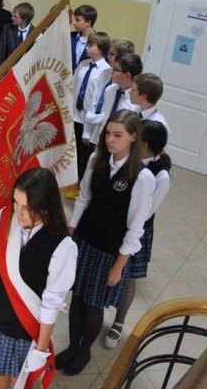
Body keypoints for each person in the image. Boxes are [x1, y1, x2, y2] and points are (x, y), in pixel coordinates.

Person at [56, 109, 154, 375]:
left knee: (94, 303)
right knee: (78, 296)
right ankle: (72, 347)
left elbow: (135, 228)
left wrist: (119, 266)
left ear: (133, 137)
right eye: (108, 133)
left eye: (118, 135)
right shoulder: (96, 160)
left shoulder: (143, 177)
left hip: (110, 250)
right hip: (86, 240)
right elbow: (84, 199)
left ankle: (84, 351)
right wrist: (70, 232)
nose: (110, 139)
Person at [0, 168, 78, 389]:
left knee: (18, 381)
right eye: (15, 203)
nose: (17, 213)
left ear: (46, 207)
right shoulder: (4, 217)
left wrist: (41, 349)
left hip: (24, 327)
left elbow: (52, 303)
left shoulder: (63, 246)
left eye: (26, 208)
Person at [104, 120, 172, 348]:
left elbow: (146, 212)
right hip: (114, 223)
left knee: (127, 276)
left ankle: (118, 323)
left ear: (143, 144)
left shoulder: (160, 176)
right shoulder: (125, 159)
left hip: (136, 229)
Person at [66, 31, 112, 200]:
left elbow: (98, 100)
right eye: (88, 44)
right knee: (74, 151)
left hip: (88, 120)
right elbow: (73, 87)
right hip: (75, 116)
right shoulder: (83, 64)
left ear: (101, 48)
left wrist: (89, 128)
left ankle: (81, 185)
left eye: (91, 45)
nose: (87, 48)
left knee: (85, 155)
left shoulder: (106, 71)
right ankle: (72, 180)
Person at [84, 53, 142, 145]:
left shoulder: (136, 102)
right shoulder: (110, 90)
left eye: (115, 69)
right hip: (101, 141)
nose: (111, 71)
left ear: (127, 75)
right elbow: (105, 116)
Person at [0, 2, 36, 68]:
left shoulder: (35, 33)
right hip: (8, 69)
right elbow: (1, 52)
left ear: (25, 20)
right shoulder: (7, 29)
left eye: (15, 16)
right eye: (13, 14)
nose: (12, 18)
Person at [70, 5, 97, 70]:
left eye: (78, 20)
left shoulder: (99, 41)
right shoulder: (70, 36)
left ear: (88, 22)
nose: (74, 23)